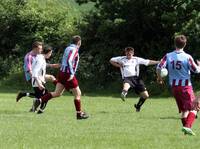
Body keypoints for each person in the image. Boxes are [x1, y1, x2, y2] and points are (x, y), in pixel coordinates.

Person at [33, 35, 89, 119]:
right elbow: (69, 61)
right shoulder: (74, 50)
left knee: (57, 93)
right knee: (78, 94)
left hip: (62, 72)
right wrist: (72, 73)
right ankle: (79, 114)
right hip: (68, 74)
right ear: (79, 42)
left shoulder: (67, 48)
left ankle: (39, 100)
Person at [157, 35, 200, 135]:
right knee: (195, 107)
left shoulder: (168, 55)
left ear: (174, 44)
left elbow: (159, 67)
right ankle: (187, 126)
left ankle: (186, 131)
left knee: (185, 110)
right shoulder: (187, 57)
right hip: (185, 87)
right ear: (185, 44)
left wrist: (159, 77)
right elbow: (196, 70)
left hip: (174, 87)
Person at [110, 47, 160, 112]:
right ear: (125, 53)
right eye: (127, 54)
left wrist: (158, 62)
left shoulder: (136, 59)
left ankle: (138, 106)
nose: (128, 55)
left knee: (146, 95)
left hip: (136, 79)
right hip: (127, 78)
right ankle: (124, 93)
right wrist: (119, 65)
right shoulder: (121, 59)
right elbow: (111, 60)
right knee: (126, 87)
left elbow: (147, 62)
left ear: (133, 53)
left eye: (130, 54)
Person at [16, 44, 59, 112]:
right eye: (50, 53)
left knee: (41, 96)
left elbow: (40, 66)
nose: (51, 55)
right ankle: (40, 110)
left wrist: (52, 65)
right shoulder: (35, 58)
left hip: (38, 79)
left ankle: (36, 109)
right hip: (36, 79)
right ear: (48, 52)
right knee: (44, 96)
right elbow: (34, 71)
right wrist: (38, 82)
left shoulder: (40, 57)